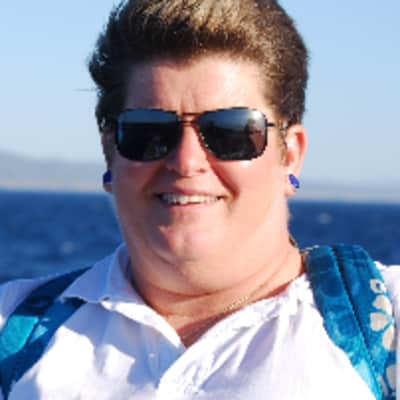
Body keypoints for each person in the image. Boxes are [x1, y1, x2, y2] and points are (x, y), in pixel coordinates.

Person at [0, 0, 398, 399]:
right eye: (149, 132)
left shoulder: (386, 322)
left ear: (289, 154)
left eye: (231, 133)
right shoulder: (12, 328)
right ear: (110, 152)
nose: (186, 161)